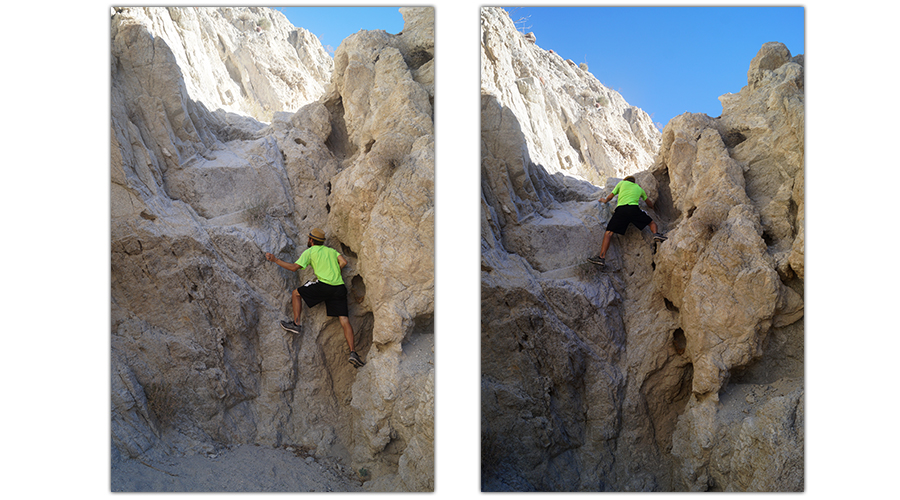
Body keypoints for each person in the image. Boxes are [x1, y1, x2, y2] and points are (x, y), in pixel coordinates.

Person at [265, 228, 364, 368]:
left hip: (324, 286)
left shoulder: (310, 252)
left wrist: (275, 260)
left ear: (311, 240)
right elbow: (343, 262)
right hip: (339, 287)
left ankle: (296, 324)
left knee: (296, 293)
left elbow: (294, 267)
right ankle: (353, 352)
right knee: (344, 319)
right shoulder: (331, 251)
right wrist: (335, 272)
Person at [589, 176, 666, 268]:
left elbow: (610, 196)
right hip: (634, 209)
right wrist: (652, 208)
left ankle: (601, 258)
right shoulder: (639, 188)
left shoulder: (622, 183)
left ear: (625, 180)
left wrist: (604, 200)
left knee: (608, 233)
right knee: (652, 223)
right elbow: (648, 202)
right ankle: (656, 234)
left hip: (621, 210)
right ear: (634, 182)